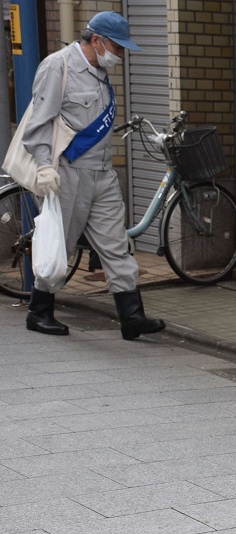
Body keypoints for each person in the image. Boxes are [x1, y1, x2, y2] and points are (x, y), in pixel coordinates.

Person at [20, 11, 164, 341]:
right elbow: (38, 123)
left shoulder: (98, 70)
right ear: (96, 40)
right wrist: (44, 166)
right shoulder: (59, 66)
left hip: (102, 174)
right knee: (61, 245)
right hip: (66, 173)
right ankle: (38, 312)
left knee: (116, 244)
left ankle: (132, 317)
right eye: (117, 47)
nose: (120, 55)